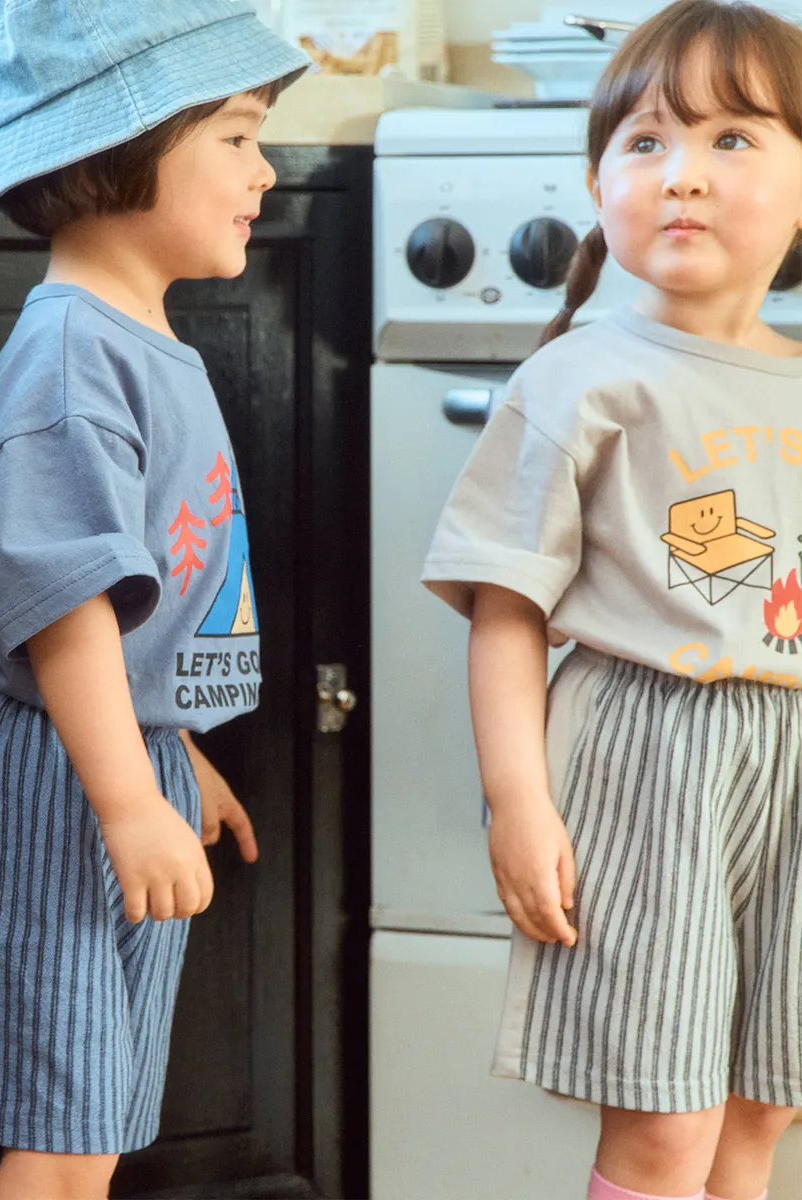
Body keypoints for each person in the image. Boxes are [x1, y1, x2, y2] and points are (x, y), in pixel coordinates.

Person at [0, 4, 310, 1197]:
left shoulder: (132, 338)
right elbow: (63, 609)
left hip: (109, 759)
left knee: (90, 1123)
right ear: (118, 148)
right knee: (60, 1135)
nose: (267, 170)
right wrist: (126, 800)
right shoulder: (69, 361)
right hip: (56, 784)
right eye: (238, 137)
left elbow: (132, 602)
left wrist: (172, 754)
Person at [420, 2, 802, 1198]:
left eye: (731, 138)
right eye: (646, 143)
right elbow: (506, 612)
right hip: (648, 759)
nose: (682, 173)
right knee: (665, 1125)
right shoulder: (579, 380)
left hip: (792, 757)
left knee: (763, 1107)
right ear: (598, 188)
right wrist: (517, 805)